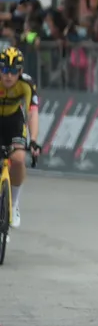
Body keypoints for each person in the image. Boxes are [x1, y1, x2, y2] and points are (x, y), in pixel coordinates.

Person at [0, 46, 41, 228]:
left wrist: (33, 140)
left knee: (18, 159)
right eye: (4, 70)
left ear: (21, 71)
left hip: (14, 121)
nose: (8, 76)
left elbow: (33, 113)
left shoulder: (27, 84)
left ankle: (14, 203)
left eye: (13, 71)